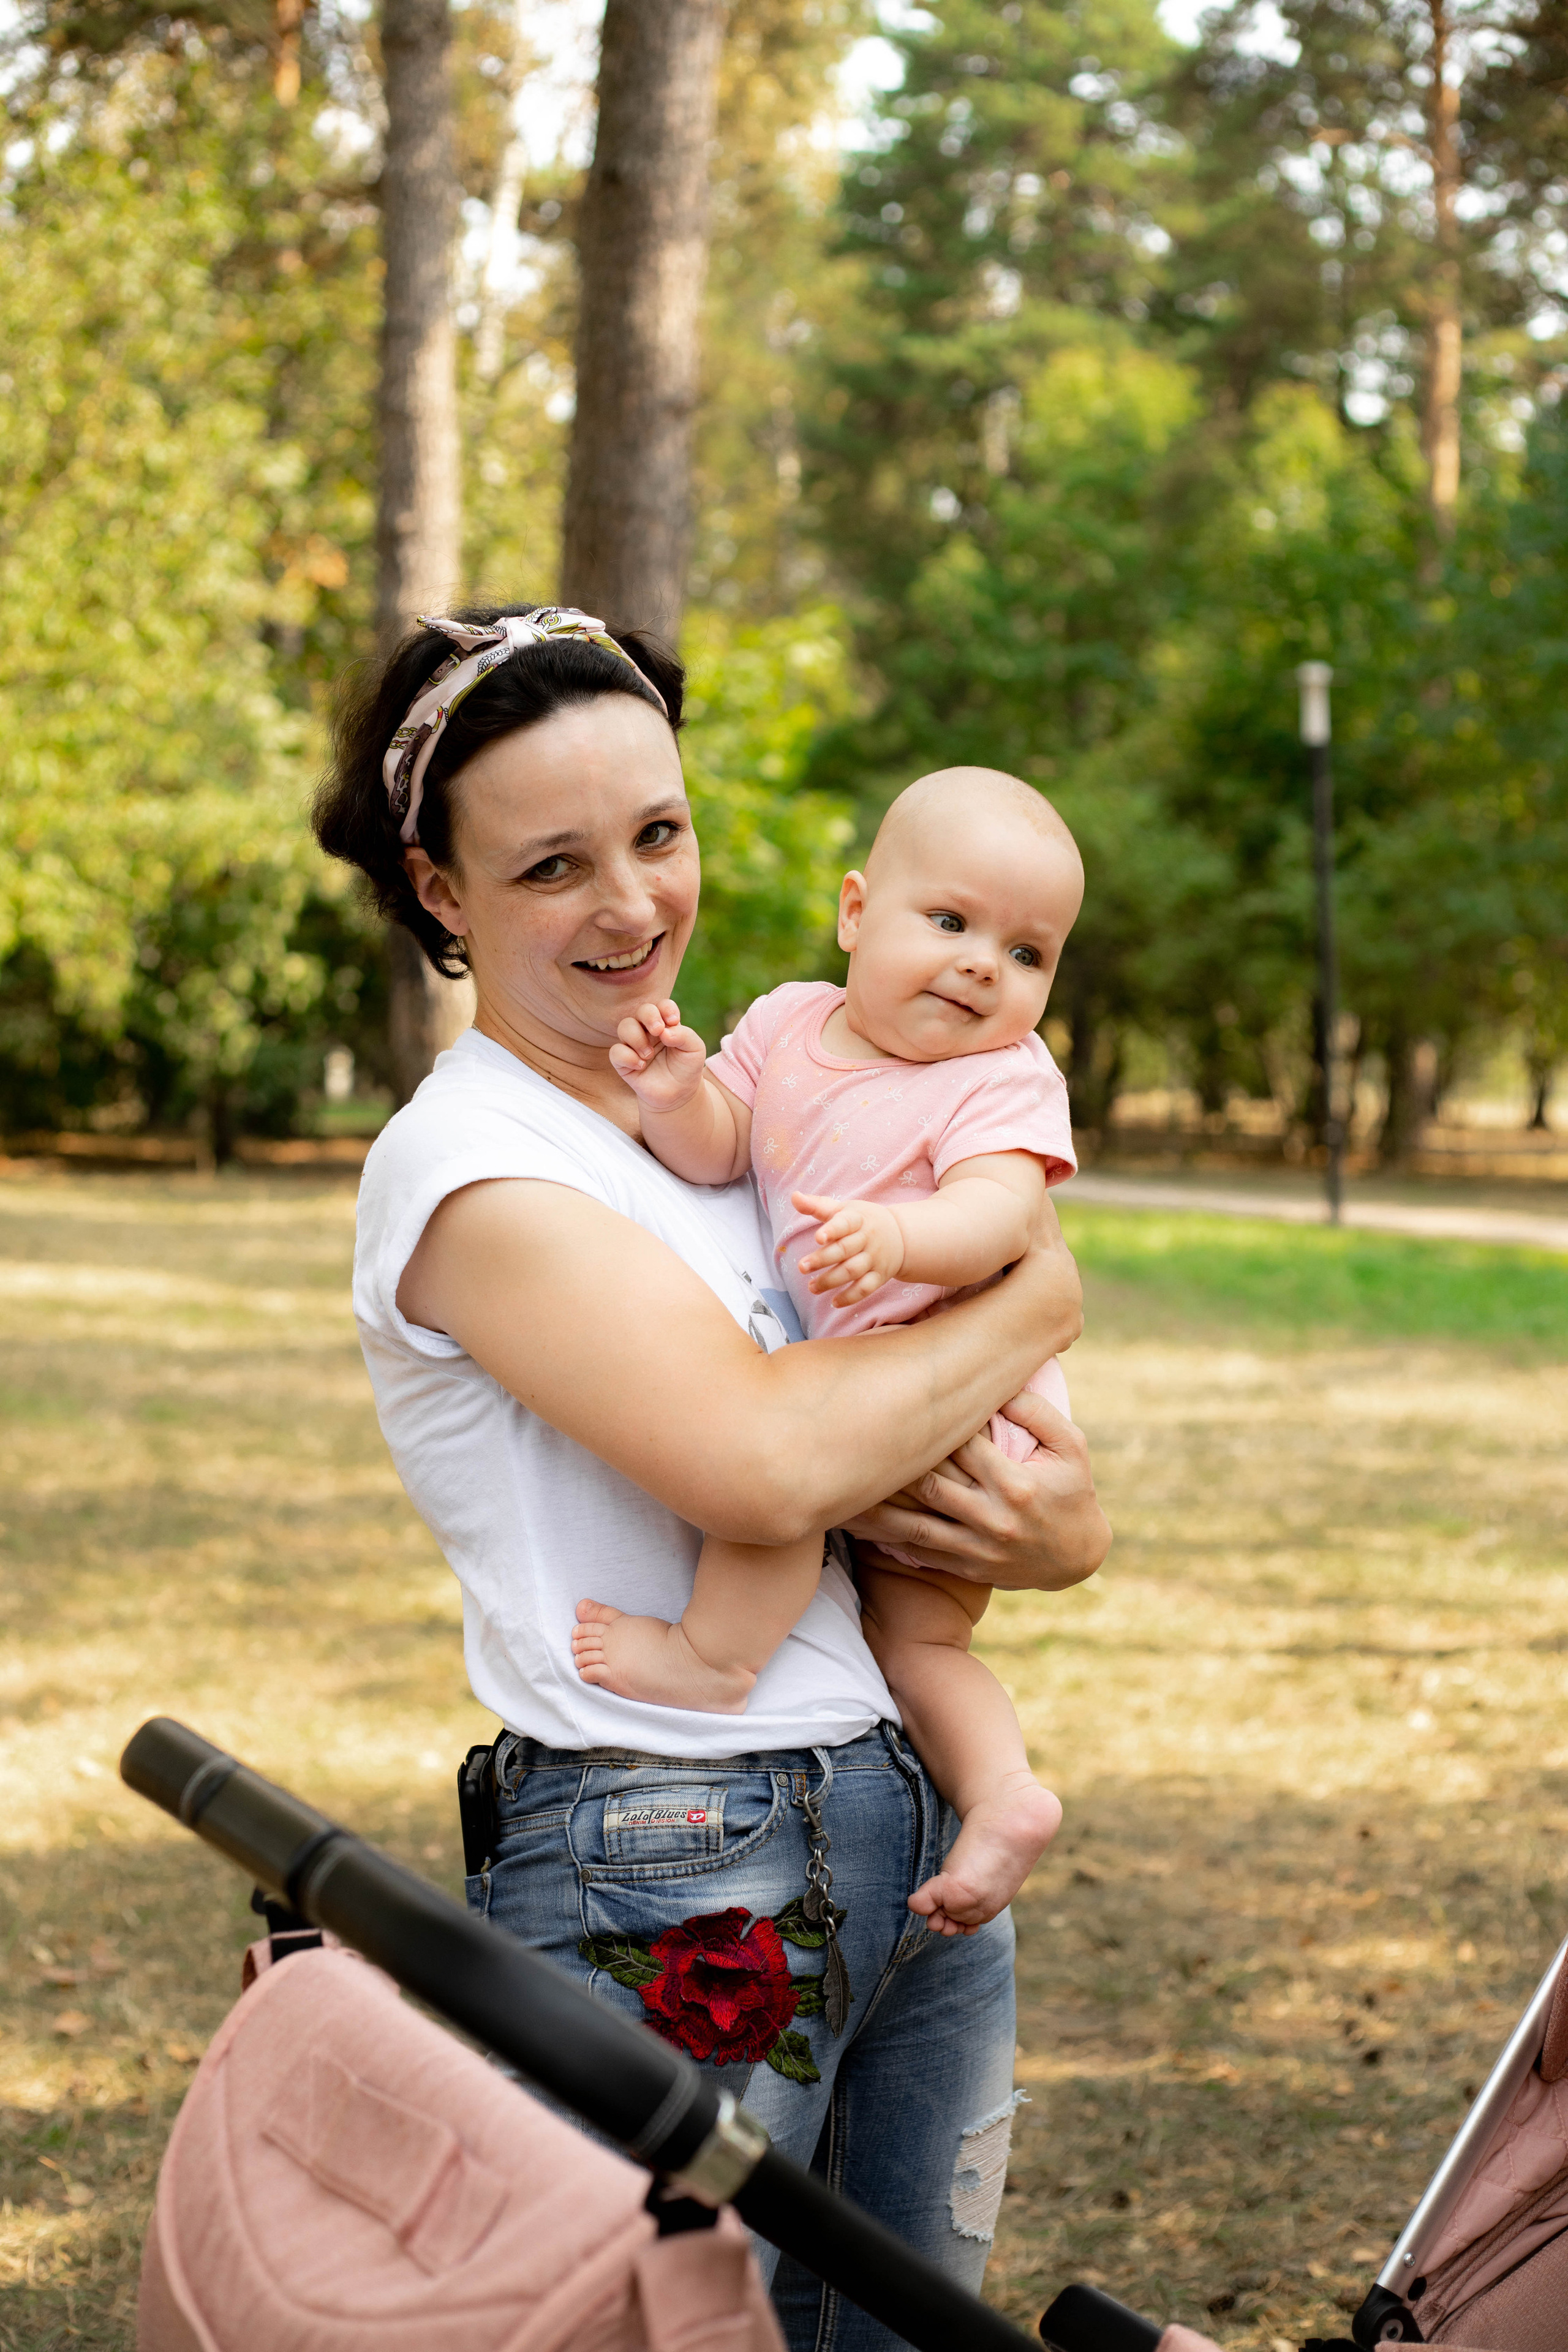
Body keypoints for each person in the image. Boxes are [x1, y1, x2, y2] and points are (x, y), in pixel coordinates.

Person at [315, 603, 1112, 2352]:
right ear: (441, 892)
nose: (632, 906)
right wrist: (1040, 1292)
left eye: (658, 836)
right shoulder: (469, 1169)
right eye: (550, 868)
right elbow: (765, 1464)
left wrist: (1057, 1529)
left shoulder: (723, 1109)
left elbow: (947, 1458)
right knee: (664, 2335)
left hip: (903, 1834)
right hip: (666, 1850)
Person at [575, 768, 1083, 1942]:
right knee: (896, 1622)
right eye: (949, 923)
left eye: (1027, 953)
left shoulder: (1001, 1079)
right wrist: (671, 1094)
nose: (979, 966)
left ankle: (720, 1664)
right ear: (857, 914)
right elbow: (723, 1149)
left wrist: (903, 1235)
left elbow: (1006, 1219)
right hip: (863, 1392)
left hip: (955, 1406)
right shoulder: (787, 1025)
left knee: (862, 1568)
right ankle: (996, 1793)